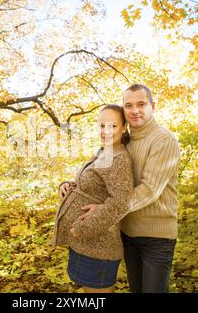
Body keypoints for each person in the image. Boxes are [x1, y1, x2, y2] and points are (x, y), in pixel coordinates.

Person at [60, 84, 180, 293]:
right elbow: (100, 178)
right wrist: (71, 185)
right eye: (129, 105)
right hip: (127, 231)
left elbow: (150, 189)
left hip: (156, 237)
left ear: (153, 106)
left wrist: (106, 208)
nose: (135, 110)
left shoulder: (164, 140)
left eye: (141, 104)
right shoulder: (121, 142)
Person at [51, 104, 134, 293]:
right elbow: (91, 183)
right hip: (86, 244)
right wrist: (67, 185)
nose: (105, 131)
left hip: (98, 245)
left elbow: (121, 202)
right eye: (102, 125)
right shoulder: (105, 152)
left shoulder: (118, 158)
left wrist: (82, 229)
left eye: (112, 126)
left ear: (123, 128)